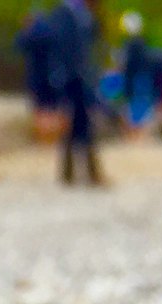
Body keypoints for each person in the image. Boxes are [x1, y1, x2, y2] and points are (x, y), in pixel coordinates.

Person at [50, 0, 104, 186]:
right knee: (77, 123)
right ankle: (84, 170)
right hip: (70, 78)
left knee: (80, 124)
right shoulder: (63, 13)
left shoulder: (81, 14)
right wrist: (60, 77)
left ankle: (74, 171)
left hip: (80, 77)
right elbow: (60, 48)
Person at [18, 9, 64, 142]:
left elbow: (20, 46)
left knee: (40, 110)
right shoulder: (51, 32)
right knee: (54, 109)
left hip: (36, 77)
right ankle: (54, 138)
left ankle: (44, 139)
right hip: (53, 75)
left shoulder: (30, 35)